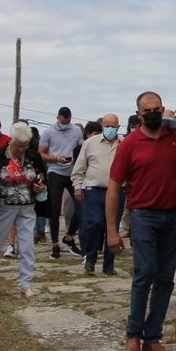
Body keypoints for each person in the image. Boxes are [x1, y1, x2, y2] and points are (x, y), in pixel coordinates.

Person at [106, 91, 176, 351]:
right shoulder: (129, 144)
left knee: (164, 278)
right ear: (139, 114)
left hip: (174, 216)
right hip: (143, 216)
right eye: (147, 110)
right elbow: (114, 188)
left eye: (156, 109)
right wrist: (112, 230)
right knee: (144, 273)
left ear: (163, 109)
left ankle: (153, 336)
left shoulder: (174, 139)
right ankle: (133, 334)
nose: (152, 114)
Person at [0, 122, 47, 298]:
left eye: (25, 146)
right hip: (2, 206)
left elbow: (41, 177)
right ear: (11, 142)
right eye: (18, 146)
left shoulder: (33, 156)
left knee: (27, 246)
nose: (22, 150)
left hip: (27, 206)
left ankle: (26, 283)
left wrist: (40, 187)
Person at [72, 114, 124, 275]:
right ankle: (90, 257)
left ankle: (109, 264)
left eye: (113, 126)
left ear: (118, 127)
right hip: (95, 190)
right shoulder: (90, 143)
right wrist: (77, 186)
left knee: (113, 227)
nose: (110, 129)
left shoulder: (125, 144)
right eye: (107, 126)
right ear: (102, 126)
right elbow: (79, 167)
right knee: (95, 223)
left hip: (117, 191)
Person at [38, 107, 84, 259]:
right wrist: (56, 159)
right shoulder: (48, 132)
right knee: (54, 209)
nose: (65, 125)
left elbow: (81, 149)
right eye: (63, 122)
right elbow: (41, 153)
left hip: (72, 172)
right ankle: (55, 244)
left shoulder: (76, 131)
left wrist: (76, 162)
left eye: (68, 122)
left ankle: (69, 236)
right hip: (55, 172)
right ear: (57, 118)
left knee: (82, 204)